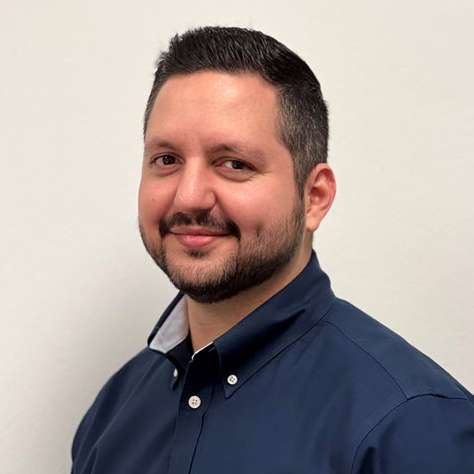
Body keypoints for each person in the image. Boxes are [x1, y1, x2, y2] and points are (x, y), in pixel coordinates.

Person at [70, 26, 474, 473]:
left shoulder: (410, 426)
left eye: (234, 164)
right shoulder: (114, 409)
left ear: (314, 197)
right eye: (167, 159)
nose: (188, 197)